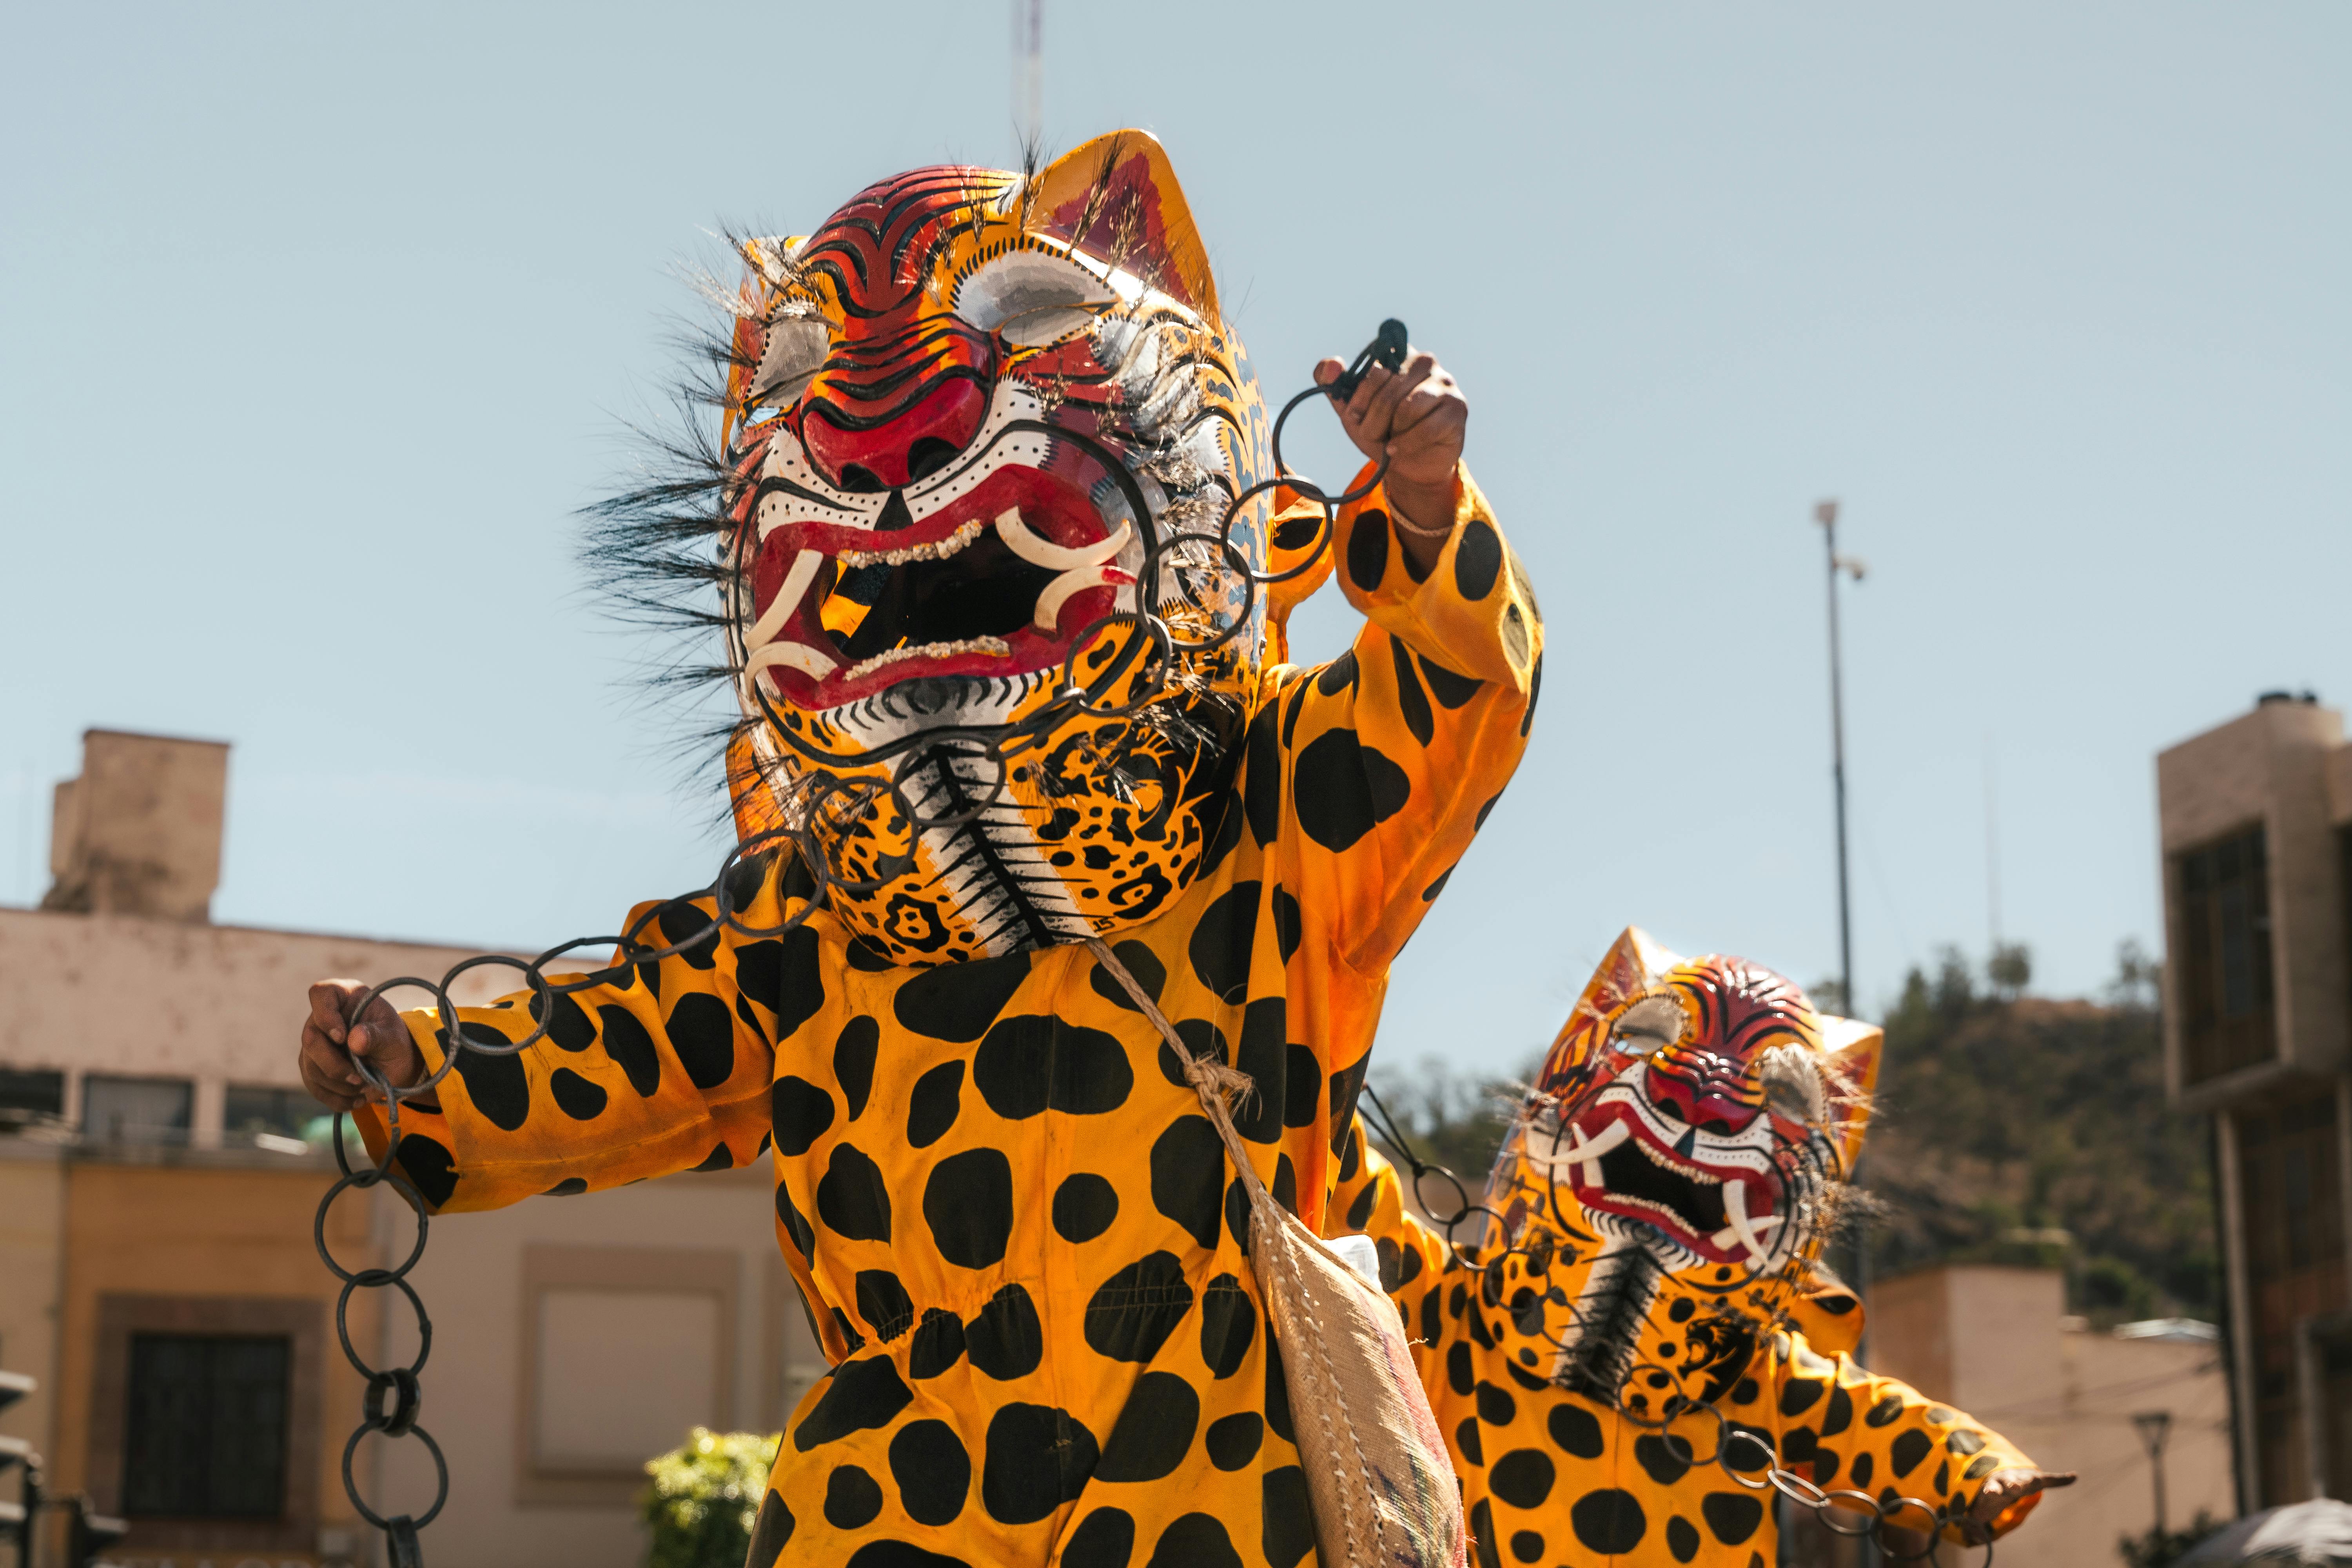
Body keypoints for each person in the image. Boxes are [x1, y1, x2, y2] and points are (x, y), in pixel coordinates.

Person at [298, 131, 1541, 1567]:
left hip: (1213, 1473)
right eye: (791, 371)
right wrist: (414, 1072)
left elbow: (1459, 692)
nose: (879, 429)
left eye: (1030, 307)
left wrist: (1428, 515)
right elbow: (622, 1047)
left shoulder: (1267, 829)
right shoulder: (805, 924)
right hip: (902, 1491)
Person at [1324, 929, 2075, 1567]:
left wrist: (1977, 1472)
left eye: (1785, 1095)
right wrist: (1303, 1052)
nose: (1703, 1095)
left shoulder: (1761, 1380)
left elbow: (1876, 1420)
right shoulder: (1452, 1311)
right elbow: (1331, 1171)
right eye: (1647, 1035)